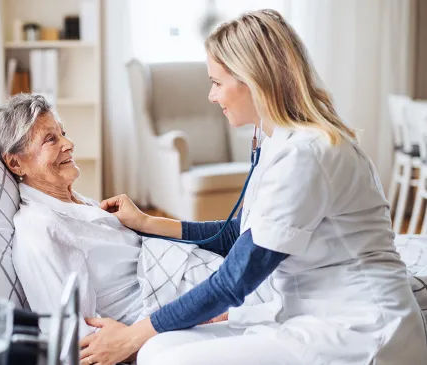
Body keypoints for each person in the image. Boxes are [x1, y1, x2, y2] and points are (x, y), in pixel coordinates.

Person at [78, 9, 427, 365]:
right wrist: (148, 223)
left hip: (360, 329)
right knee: (156, 349)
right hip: (307, 312)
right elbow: (238, 234)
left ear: (253, 80)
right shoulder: (279, 141)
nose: (212, 96)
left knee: (160, 356)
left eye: (216, 82)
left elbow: (234, 280)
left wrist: (131, 335)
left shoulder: (307, 154)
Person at [0, 93, 254, 343]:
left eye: (63, 133)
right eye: (51, 139)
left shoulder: (79, 203)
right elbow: (78, 336)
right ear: (15, 163)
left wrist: (143, 223)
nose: (69, 144)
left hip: (215, 282)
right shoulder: (40, 230)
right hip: (188, 312)